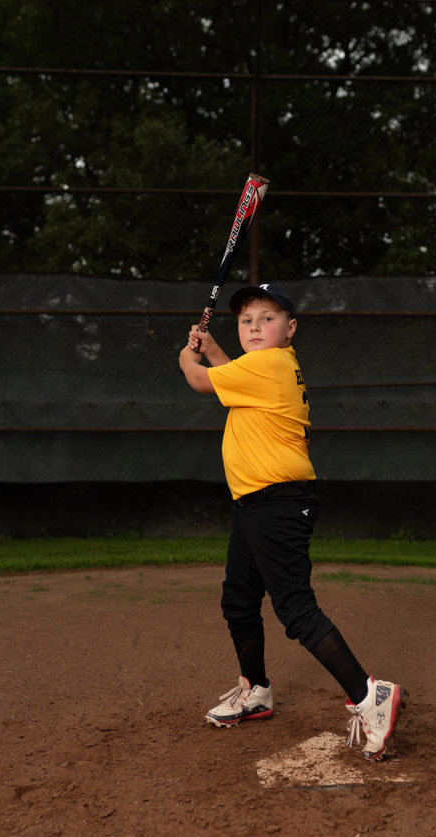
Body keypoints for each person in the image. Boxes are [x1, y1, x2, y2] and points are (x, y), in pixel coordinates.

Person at [178, 283, 407, 760]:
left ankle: (371, 697)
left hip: (277, 504)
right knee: (238, 601)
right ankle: (256, 690)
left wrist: (187, 356)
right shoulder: (265, 368)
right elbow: (228, 374)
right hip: (253, 505)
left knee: (296, 609)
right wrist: (214, 347)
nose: (255, 327)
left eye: (267, 318)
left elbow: (202, 381)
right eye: (245, 320)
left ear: (290, 328)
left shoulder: (270, 363)